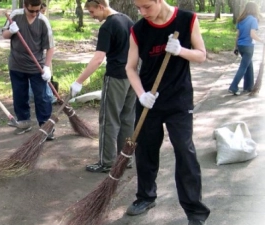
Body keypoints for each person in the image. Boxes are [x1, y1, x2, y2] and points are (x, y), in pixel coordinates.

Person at [125, 0, 211, 224]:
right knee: (145, 151)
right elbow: (130, 67)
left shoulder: (187, 19)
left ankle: (195, 211)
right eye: (138, 8)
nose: (143, 13)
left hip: (178, 100)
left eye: (147, 7)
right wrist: (141, 94)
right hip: (149, 101)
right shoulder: (138, 29)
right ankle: (146, 196)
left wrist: (181, 50)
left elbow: (201, 55)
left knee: (184, 150)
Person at [69, 0, 136, 173]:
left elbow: (98, 59)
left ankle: (106, 162)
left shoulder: (108, 26)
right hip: (133, 76)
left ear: (101, 6)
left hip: (116, 78)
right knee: (127, 119)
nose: (92, 16)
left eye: (92, 12)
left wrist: (79, 81)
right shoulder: (127, 20)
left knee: (109, 121)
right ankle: (126, 159)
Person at [2, 0, 55, 139]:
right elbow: (4, 35)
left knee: (42, 97)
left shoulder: (43, 21)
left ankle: (46, 126)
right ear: (25, 6)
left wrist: (47, 67)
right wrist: (11, 31)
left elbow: (50, 47)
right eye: (31, 11)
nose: (35, 14)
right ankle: (24, 122)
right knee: (20, 95)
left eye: (37, 11)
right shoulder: (15, 15)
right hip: (16, 64)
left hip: (36, 66)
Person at [229, 1, 264, 95]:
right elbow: (252, 34)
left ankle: (248, 87)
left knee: (249, 65)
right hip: (248, 46)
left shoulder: (241, 19)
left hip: (240, 46)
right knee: (243, 66)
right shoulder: (253, 20)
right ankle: (233, 86)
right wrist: (262, 41)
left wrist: (235, 47)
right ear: (254, 9)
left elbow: (237, 35)